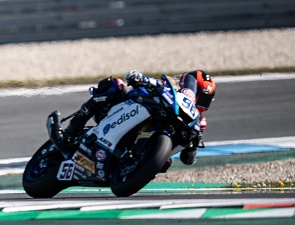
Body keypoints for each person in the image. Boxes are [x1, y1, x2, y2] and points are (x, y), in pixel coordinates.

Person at [51, 70, 216, 166]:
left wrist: (194, 144)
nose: (198, 99)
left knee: (164, 163)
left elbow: (188, 160)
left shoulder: (197, 122)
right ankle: (69, 133)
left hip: (146, 153)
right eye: (198, 94)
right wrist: (140, 78)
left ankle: (131, 166)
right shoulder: (170, 88)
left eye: (204, 99)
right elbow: (141, 79)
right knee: (115, 85)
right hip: (121, 110)